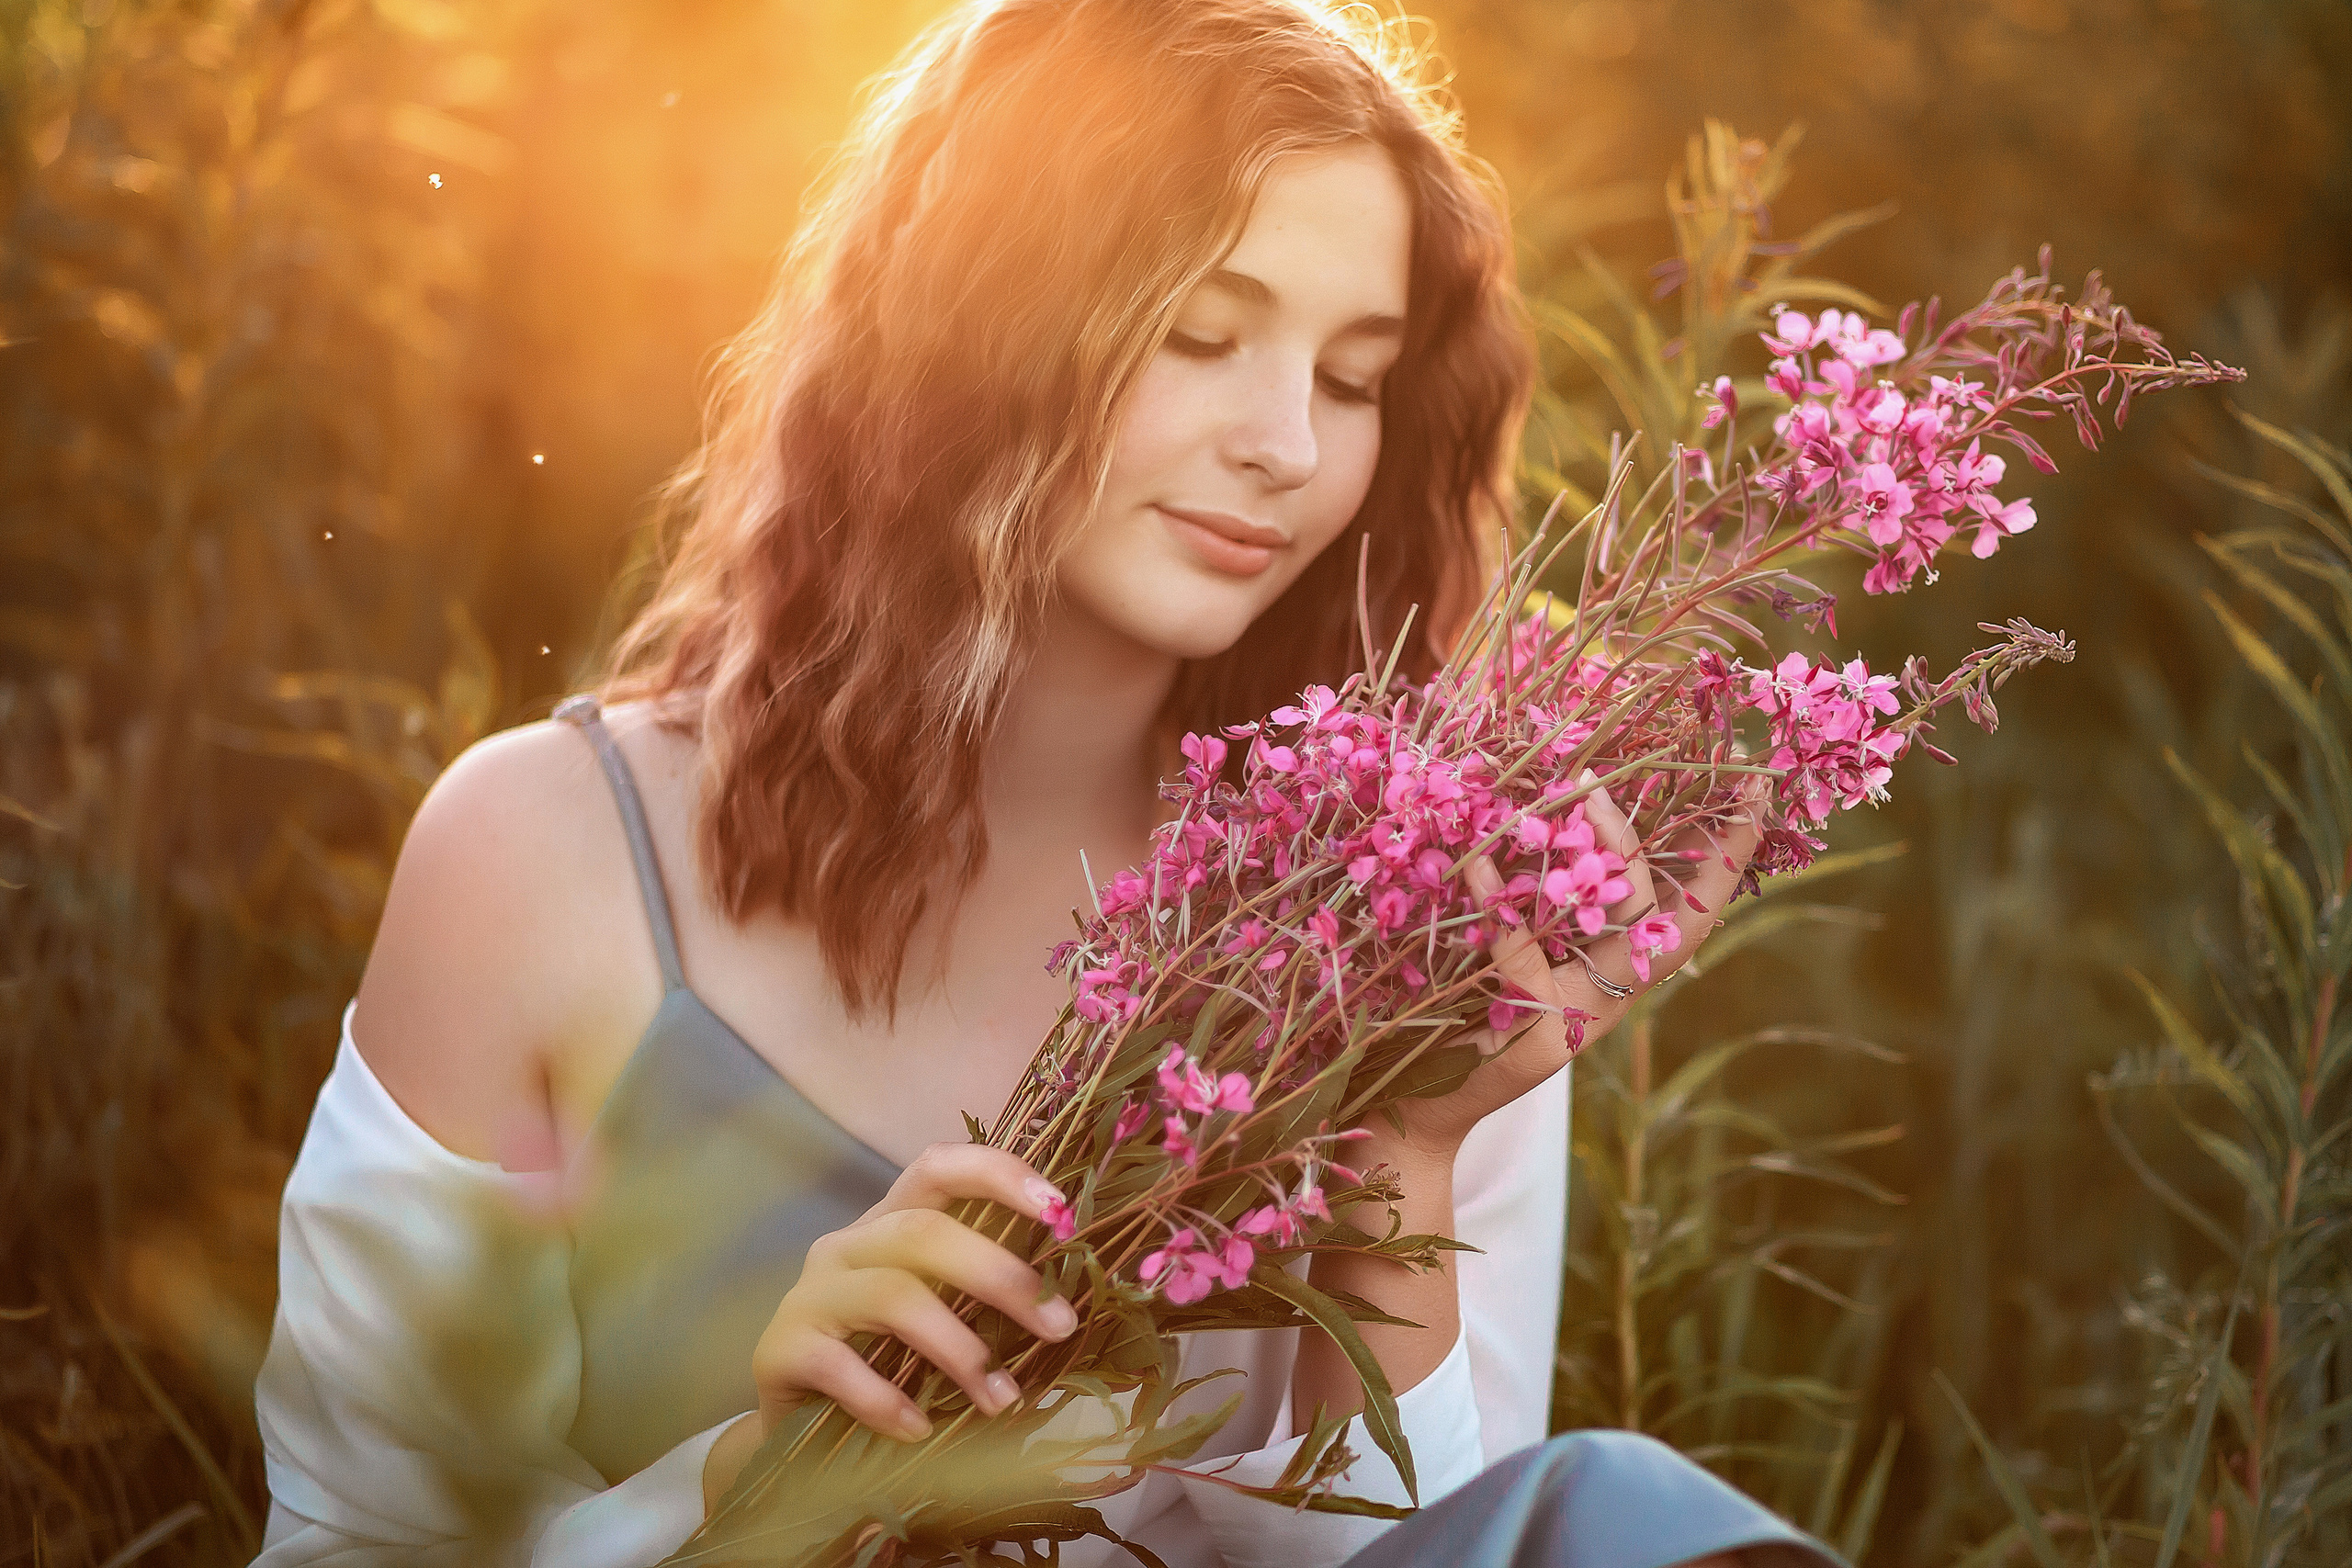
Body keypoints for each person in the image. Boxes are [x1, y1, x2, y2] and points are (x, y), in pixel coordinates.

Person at [251, 4, 1837, 1565]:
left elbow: (1468, 1550)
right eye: (1200, 336)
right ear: (975, 326)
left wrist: (1393, 1167)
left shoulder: (1423, 910)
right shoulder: (542, 856)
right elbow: (356, 1546)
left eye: (1353, 378)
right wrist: (750, 1488)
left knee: (1621, 1514)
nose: (1289, 443)